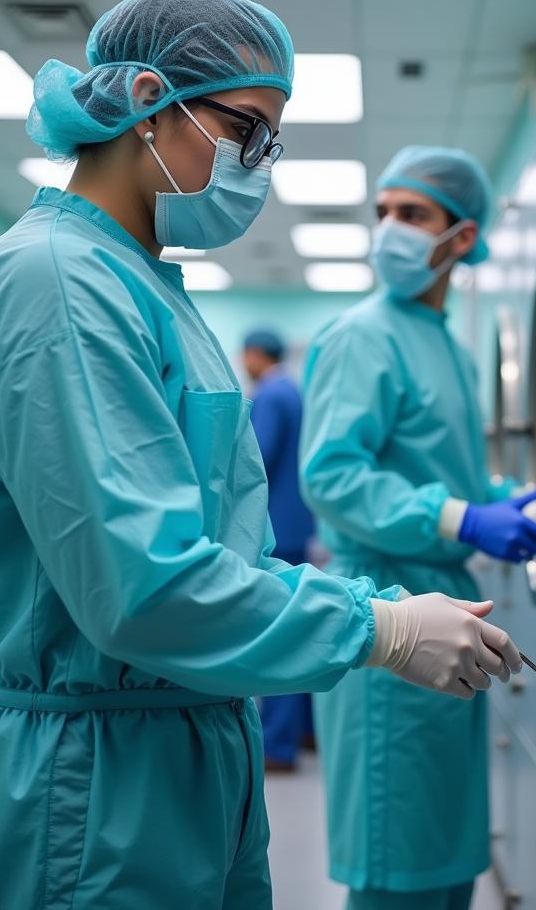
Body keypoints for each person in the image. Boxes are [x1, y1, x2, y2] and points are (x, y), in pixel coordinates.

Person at [0, 0, 525, 910]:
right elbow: (142, 585)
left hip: (178, 750)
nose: (259, 162)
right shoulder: (57, 289)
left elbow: (218, 551)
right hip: (81, 787)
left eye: (270, 142)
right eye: (247, 129)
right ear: (150, 100)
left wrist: (373, 606)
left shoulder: (149, 287)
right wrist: (379, 627)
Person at [300, 145, 536, 910]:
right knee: (397, 868)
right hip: (394, 610)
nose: (390, 229)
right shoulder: (362, 335)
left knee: (444, 862)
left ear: (462, 236)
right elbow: (332, 477)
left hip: (446, 603)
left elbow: (450, 477)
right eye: (382, 212)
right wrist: (461, 518)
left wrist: (505, 500)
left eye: (411, 214)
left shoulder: (445, 342)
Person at [242, 328, 315, 771]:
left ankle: (278, 746)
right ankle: (305, 731)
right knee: (301, 623)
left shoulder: (270, 395)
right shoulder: (293, 390)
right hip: (296, 523)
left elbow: (254, 456)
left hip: (277, 527)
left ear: (254, 354)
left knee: (284, 631)